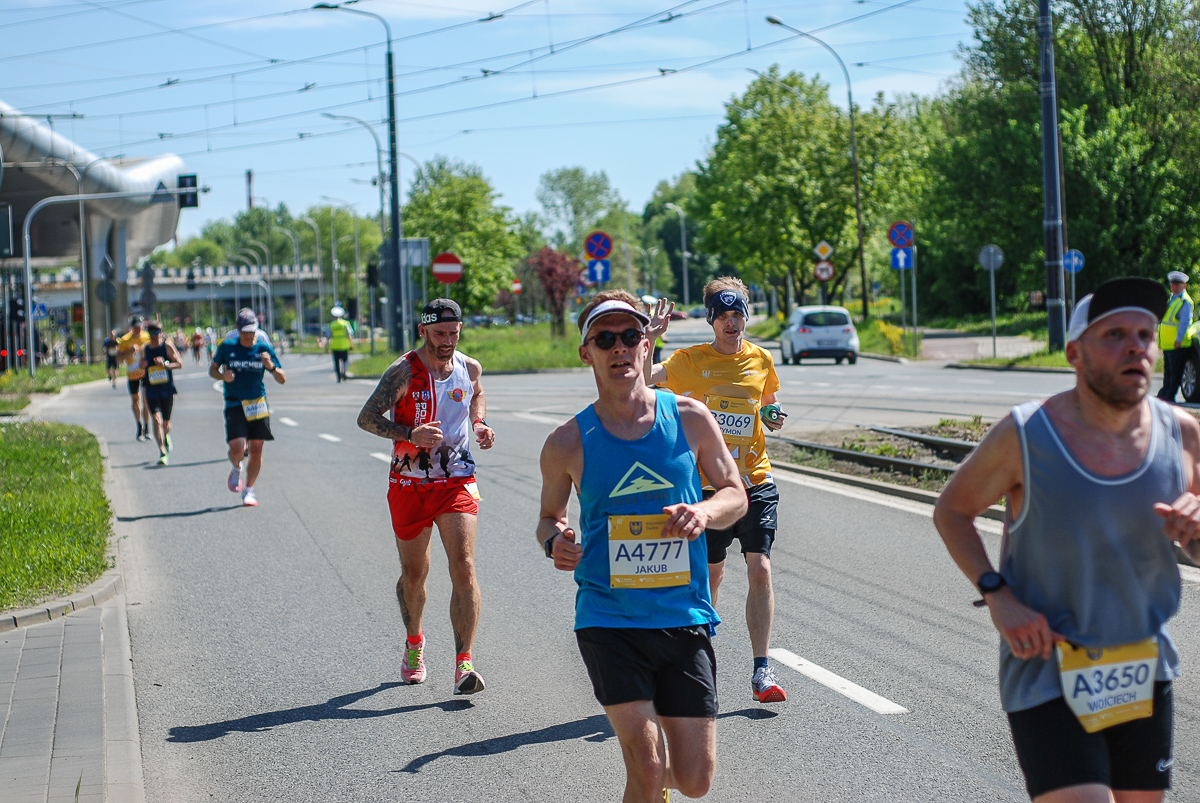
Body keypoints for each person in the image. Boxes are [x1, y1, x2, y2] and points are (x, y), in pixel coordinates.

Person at [933, 277, 1200, 803]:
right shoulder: (1027, 433)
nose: (1136, 347)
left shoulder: (1183, 434)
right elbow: (952, 511)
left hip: (1142, 664)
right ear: (1075, 353)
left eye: (1146, 335)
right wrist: (996, 593)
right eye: (1116, 334)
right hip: (1048, 667)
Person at [538, 290, 747, 802]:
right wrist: (557, 542)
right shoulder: (568, 441)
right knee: (650, 766)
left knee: (695, 780)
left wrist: (702, 511)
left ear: (646, 343)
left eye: (630, 336)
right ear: (586, 352)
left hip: (683, 615)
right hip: (609, 619)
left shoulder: (691, 418)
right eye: (604, 339)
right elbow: (548, 519)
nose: (619, 348)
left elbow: (735, 493)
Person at [644, 278, 789, 704]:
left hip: (755, 481)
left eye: (738, 314)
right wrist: (651, 339)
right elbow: (645, 380)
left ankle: (762, 670)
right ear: (711, 319)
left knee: (759, 567)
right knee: (711, 576)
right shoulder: (691, 361)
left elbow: (768, 404)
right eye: (724, 316)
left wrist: (774, 416)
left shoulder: (761, 359)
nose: (732, 323)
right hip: (708, 488)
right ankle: (702, 659)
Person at [356, 298, 497, 695]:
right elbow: (366, 419)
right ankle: (414, 642)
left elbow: (477, 395)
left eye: (454, 333)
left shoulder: (469, 368)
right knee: (415, 577)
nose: (447, 341)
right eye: (439, 334)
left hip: (456, 480)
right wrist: (408, 435)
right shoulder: (402, 371)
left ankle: (464, 663)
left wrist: (480, 423)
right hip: (409, 485)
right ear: (423, 331)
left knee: (464, 566)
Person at [210, 309, 286, 507]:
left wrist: (271, 367)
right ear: (238, 330)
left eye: (252, 331)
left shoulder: (263, 348)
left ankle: (249, 490)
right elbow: (212, 370)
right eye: (245, 331)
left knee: (257, 449)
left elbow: (282, 378)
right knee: (238, 448)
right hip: (235, 403)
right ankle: (236, 468)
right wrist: (222, 376)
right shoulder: (227, 347)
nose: (249, 335)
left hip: (257, 404)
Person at [141, 321, 182, 465]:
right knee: (156, 419)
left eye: (156, 332)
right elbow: (140, 366)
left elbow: (179, 363)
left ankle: (167, 435)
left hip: (166, 389)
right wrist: (143, 365)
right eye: (151, 332)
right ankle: (162, 452)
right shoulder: (145, 349)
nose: (154, 335)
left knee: (166, 423)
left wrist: (165, 365)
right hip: (151, 389)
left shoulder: (167, 346)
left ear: (161, 332)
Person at [1157, 271, 1192, 403]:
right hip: (1168, 344)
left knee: (1175, 372)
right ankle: (1165, 391)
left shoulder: (1184, 301)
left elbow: (1185, 322)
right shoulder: (1172, 299)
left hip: (1178, 344)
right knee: (1169, 371)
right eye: (1173, 284)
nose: (1174, 286)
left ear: (1184, 285)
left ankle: (1170, 394)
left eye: (1178, 284)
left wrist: (1179, 339)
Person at [116, 315, 152, 441]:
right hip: (133, 374)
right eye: (136, 327)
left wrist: (144, 354)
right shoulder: (125, 340)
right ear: (132, 327)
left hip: (146, 373)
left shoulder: (147, 337)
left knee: (147, 400)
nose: (138, 329)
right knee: (136, 400)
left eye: (140, 327)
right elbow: (118, 358)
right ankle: (139, 426)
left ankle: (147, 427)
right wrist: (129, 352)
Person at [329, 305, 354, 383]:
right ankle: (343, 372)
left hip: (335, 346)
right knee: (345, 361)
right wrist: (351, 344)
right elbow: (350, 334)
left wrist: (326, 347)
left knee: (336, 363)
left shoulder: (331, 325)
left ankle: (338, 377)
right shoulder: (345, 323)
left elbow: (328, 336)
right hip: (344, 345)